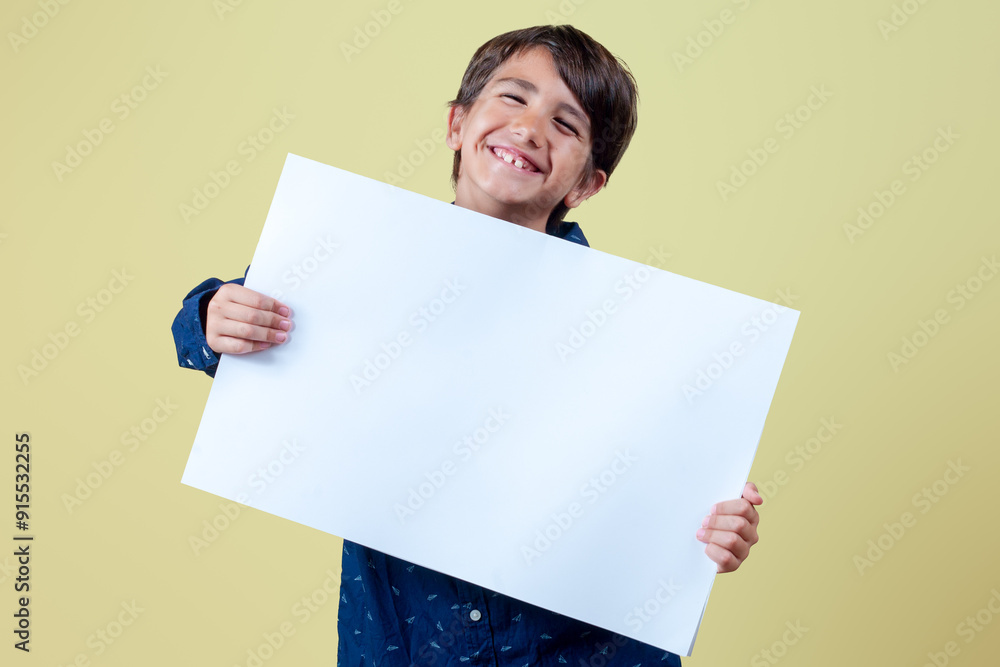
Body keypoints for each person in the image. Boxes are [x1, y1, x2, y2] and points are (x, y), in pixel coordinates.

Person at [171, 24, 762, 666]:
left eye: (566, 123)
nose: (532, 128)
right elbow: (224, 330)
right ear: (457, 124)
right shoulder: (358, 260)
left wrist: (712, 529)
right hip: (405, 636)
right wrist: (212, 317)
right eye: (513, 97)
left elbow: (673, 492)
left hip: (581, 652)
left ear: (587, 183)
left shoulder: (642, 334)